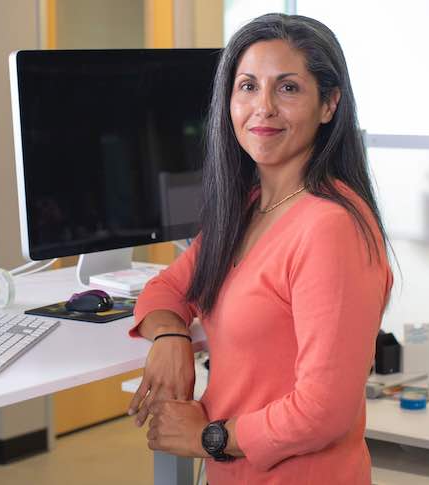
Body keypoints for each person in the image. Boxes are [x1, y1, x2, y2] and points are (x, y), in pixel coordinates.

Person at [126, 13, 394, 484]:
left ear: (329, 104)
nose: (263, 107)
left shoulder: (331, 228)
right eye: (247, 86)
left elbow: (323, 410)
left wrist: (210, 437)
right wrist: (171, 338)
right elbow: (168, 287)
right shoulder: (249, 206)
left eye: (288, 88)